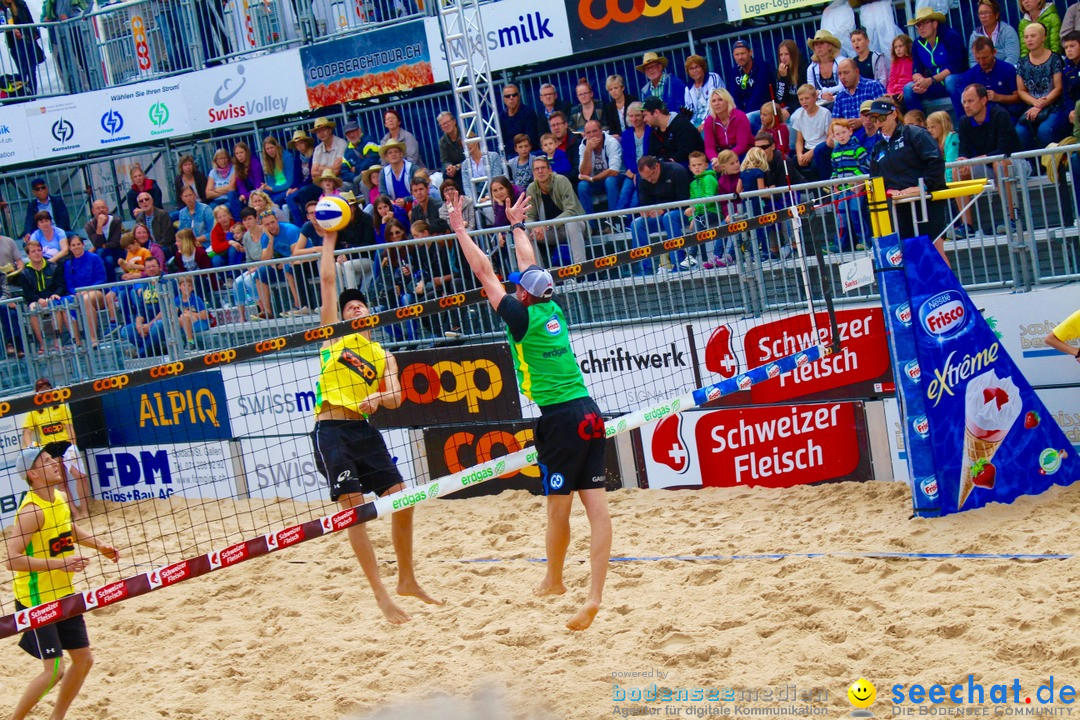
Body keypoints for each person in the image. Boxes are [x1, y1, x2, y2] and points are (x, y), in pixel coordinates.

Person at [447, 193, 610, 632]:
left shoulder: (521, 317)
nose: (515, 286)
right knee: (597, 510)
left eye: (518, 285)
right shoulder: (553, 308)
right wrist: (516, 225)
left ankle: (554, 580)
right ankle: (593, 594)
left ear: (523, 294)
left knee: (558, 509)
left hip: (560, 419)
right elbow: (531, 265)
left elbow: (484, 271)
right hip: (590, 411)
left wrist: (460, 227)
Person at [310, 226, 442, 624]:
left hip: (364, 430)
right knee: (356, 511)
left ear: (370, 315)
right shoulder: (332, 338)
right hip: (332, 429)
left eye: (359, 307)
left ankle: (407, 579)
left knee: (403, 498)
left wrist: (377, 398)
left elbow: (397, 396)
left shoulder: (383, 354)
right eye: (348, 308)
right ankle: (382, 596)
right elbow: (329, 282)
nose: (353, 309)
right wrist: (329, 239)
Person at [6, 443, 119, 720]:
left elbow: (68, 528)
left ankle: (57, 717)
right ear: (33, 475)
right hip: (37, 599)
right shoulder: (32, 511)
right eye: (46, 461)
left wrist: (100, 545)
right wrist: (61, 563)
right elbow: (11, 559)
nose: (55, 462)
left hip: (63, 592)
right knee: (54, 669)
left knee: (83, 660)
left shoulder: (58, 497)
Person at [867, 98, 949, 262]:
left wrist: (923, 187)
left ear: (894, 114)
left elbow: (936, 162)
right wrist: (889, 192)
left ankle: (946, 288)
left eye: (881, 117)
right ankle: (921, 288)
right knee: (910, 254)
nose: (878, 122)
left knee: (934, 249)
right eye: (874, 119)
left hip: (927, 202)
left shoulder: (915, 133)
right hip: (900, 206)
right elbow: (875, 179)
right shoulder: (878, 148)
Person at [955, 83, 1025, 235]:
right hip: (988, 166)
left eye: (970, 101)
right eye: (964, 102)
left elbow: (1004, 149)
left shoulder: (1000, 115)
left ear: (984, 100)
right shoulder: (964, 122)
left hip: (1015, 163)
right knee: (957, 169)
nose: (966, 105)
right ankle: (967, 226)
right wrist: (963, 159)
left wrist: (978, 159)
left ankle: (1012, 220)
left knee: (999, 163)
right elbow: (964, 150)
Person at [21, 378, 92, 519]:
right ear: (37, 392)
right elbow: (26, 432)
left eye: (47, 388)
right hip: (49, 448)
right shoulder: (34, 411)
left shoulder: (60, 406)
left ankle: (85, 510)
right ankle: (75, 513)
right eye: (41, 389)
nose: (45, 391)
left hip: (65, 445)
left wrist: (73, 446)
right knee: (61, 482)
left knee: (81, 476)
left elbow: (69, 427)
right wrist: (29, 447)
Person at [631, 155, 691, 273]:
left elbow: (684, 201)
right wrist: (644, 211)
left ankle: (678, 263)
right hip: (659, 216)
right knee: (636, 224)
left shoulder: (677, 171)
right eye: (645, 178)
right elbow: (644, 202)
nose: (649, 180)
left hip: (681, 213)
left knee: (669, 217)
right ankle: (645, 269)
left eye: (650, 176)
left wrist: (663, 209)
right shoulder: (642, 178)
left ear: (657, 166)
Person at [903, 7, 968, 113]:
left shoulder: (950, 36)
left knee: (950, 80)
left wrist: (931, 80)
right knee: (908, 88)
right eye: (918, 25)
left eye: (925, 23)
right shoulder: (917, 44)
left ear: (935, 24)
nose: (921, 28)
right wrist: (920, 81)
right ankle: (918, 127)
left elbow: (955, 67)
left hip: (957, 80)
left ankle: (962, 123)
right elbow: (916, 70)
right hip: (933, 84)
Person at [525, 156, 587, 265]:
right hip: (550, 232)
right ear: (533, 172)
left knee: (571, 223)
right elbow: (529, 216)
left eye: (543, 168)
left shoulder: (561, 180)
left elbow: (571, 211)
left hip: (573, 227)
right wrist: (535, 228)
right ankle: (539, 273)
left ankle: (581, 268)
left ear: (550, 169)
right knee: (527, 233)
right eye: (537, 169)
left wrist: (547, 225)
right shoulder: (531, 189)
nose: (540, 171)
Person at [1016, 21, 1069, 149]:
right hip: (1032, 106)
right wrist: (1035, 103)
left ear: (1043, 37)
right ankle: (1032, 166)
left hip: (1054, 105)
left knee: (1044, 131)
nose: (1029, 40)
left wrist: (1041, 104)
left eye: (1033, 36)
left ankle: (1053, 166)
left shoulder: (1055, 59)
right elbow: (1021, 90)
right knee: (1019, 132)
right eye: (1026, 36)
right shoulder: (1022, 62)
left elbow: (1058, 87)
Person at [62, 235, 114, 347]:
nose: (76, 247)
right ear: (70, 248)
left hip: (96, 292)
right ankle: (76, 341)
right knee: (67, 303)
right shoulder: (68, 264)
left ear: (83, 245)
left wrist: (86, 290)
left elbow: (101, 279)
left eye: (78, 244)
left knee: (85, 300)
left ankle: (92, 337)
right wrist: (76, 293)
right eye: (73, 245)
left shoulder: (94, 258)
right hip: (78, 294)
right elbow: (69, 285)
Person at [953, 36, 1021, 119]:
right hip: (982, 118)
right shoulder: (969, 75)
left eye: (985, 58)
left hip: (1008, 114)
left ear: (994, 52)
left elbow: (1018, 97)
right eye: (977, 58)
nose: (981, 62)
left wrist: (998, 97)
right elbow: (965, 102)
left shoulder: (1008, 69)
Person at [829, 119, 871, 252]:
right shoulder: (835, 152)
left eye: (844, 132)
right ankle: (840, 244)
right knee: (841, 217)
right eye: (838, 134)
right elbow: (835, 169)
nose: (841, 136)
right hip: (843, 191)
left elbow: (867, 165)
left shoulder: (858, 149)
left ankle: (865, 241)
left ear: (850, 132)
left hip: (856, 189)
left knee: (856, 212)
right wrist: (834, 182)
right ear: (834, 136)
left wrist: (856, 180)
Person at [18, 240, 67, 353]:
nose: (37, 253)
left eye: (39, 250)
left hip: (52, 298)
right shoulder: (24, 273)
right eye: (33, 251)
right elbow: (27, 293)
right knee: (33, 308)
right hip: (36, 300)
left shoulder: (53, 267)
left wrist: (55, 294)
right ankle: (42, 343)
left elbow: (61, 285)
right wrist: (38, 299)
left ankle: (57, 341)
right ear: (28, 255)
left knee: (55, 305)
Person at [119, 255, 169, 357]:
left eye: (154, 266)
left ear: (160, 267)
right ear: (145, 270)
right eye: (148, 267)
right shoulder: (144, 286)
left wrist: (149, 325)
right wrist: (139, 325)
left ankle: (142, 352)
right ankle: (155, 348)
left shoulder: (167, 282)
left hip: (165, 321)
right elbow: (141, 311)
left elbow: (167, 309)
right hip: (148, 323)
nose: (151, 269)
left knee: (157, 326)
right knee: (125, 330)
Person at [577, 119, 625, 214]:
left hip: (618, 178)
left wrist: (592, 178)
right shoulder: (583, 146)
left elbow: (614, 171)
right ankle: (590, 226)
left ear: (601, 131)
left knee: (610, 181)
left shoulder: (612, 142)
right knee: (582, 186)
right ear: (585, 134)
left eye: (595, 131)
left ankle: (613, 220)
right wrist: (588, 151)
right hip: (596, 181)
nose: (592, 135)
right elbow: (584, 173)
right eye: (588, 133)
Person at [643, 96, 704, 167]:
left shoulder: (681, 124)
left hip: (689, 166)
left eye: (645, 115)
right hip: (667, 166)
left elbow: (685, 153)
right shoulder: (654, 130)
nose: (644, 120)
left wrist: (664, 161)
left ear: (656, 112)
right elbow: (651, 153)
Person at [729, 40, 773, 132]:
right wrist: (740, 115)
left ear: (750, 52)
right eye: (737, 55)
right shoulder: (734, 72)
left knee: (748, 119)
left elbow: (759, 95)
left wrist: (744, 116)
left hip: (764, 109)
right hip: (745, 112)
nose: (740, 57)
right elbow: (734, 97)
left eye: (743, 53)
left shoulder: (761, 67)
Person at [791, 84, 833, 178]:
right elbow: (799, 140)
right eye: (801, 100)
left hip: (821, 148)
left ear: (814, 98)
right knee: (790, 164)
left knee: (816, 165)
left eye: (807, 98)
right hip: (807, 148)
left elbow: (829, 137)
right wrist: (799, 155)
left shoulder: (825, 113)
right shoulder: (799, 115)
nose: (804, 102)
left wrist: (811, 153)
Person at [703, 88, 753, 167]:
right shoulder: (709, 121)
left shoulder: (740, 117)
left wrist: (723, 159)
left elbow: (741, 146)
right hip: (722, 154)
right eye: (713, 101)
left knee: (729, 167)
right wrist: (715, 159)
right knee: (709, 172)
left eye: (720, 100)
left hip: (742, 153)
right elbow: (709, 148)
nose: (716, 103)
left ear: (727, 101)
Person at [832, 58, 887, 130]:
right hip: (848, 137)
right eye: (839, 74)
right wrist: (845, 124)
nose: (842, 77)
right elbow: (834, 122)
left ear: (857, 71)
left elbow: (885, 111)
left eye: (846, 73)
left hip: (873, 133)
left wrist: (862, 121)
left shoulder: (873, 86)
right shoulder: (840, 97)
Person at [1, 0, 41, 97]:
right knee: (22, 71)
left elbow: (29, 19)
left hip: (28, 39)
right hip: (15, 43)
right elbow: (2, 24)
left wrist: (35, 32)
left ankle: (33, 95)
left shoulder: (20, 3)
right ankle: (25, 95)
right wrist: (12, 29)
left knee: (32, 71)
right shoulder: (1, 7)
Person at [618, 101, 651, 210]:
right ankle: (616, 218)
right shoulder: (626, 134)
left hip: (646, 170)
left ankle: (627, 222)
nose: (634, 119)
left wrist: (637, 171)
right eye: (631, 116)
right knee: (625, 191)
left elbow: (650, 154)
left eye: (637, 115)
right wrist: (633, 171)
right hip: (631, 171)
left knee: (636, 198)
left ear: (643, 115)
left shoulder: (651, 131)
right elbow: (627, 157)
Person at [970, 0, 1021, 67]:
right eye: (981, 13)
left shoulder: (1008, 31)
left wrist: (998, 71)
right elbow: (972, 61)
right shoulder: (975, 35)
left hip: (1005, 70)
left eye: (987, 13)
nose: (983, 16)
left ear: (996, 15)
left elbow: (1013, 56)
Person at [684, 55, 725, 129]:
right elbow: (690, 111)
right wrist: (692, 127)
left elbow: (713, 105)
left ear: (702, 67)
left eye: (697, 67)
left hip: (717, 117)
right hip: (697, 122)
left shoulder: (713, 78)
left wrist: (704, 124)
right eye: (691, 69)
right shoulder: (688, 88)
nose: (694, 71)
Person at [377, 140, 422, 207]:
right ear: (386, 157)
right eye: (390, 153)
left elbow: (421, 190)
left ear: (401, 154)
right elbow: (383, 193)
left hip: (415, 204)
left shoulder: (413, 169)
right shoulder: (383, 173)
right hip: (394, 207)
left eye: (396, 151)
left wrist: (405, 200)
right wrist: (389, 201)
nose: (393, 154)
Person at [84, 199, 123, 276]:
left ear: (107, 209)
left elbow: (115, 243)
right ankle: (111, 284)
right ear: (93, 211)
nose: (101, 210)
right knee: (108, 260)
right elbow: (97, 244)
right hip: (104, 255)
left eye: (103, 207)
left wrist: (101, 246)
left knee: (101, 252)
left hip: (116, 252)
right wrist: (99, 226)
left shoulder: (116, 221)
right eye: (98, 208)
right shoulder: (89, 226)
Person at [807, 29, 846, 103]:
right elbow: (811, 92)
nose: (818, 46)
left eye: (822, 43)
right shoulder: (811, 68)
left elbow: (844, 86)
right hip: (822, 102)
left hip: (842, 99)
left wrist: (822, 92)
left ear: (830, 46)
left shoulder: (842, 62)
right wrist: (822, 95)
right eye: (816, 44)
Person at [500, 83, 540, 154]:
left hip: (529, 152)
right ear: (504, 99)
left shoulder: (528, 112)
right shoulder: (502, 116)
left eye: (514, 95)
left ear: (519, 96)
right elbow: (502, 140)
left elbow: (532, 137)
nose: (511, 98)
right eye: (507, 96)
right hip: (510, 155)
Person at [135, 191, 176, 257]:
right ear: (139, 205)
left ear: (152, 201)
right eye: (141, 201)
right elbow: (138, 238)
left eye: (146, 199)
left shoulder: (163, 214)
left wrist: (154, 248)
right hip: (147, 248)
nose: (144, 202)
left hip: (164, 246)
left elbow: (168, 237)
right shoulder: (139, 219)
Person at [174, 275, 209, 350]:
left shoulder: (196, 299)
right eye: (184, 285)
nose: (186, 287)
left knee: (184, 316)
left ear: (192, 288)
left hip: (200, 323)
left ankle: (191, 342)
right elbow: (173, 314)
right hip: (186, 323)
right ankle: (179, 342)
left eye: (189, 285)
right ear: (179, 287)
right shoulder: (177, 299)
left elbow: (204, 316)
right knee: (176, 319)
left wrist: (189, 313)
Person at [260, 136, 296, 209]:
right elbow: (270, 182)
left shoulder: (287, 157)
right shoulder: (268, 161)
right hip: (275, 188)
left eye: (271, 147)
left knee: (274, 200)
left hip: (287, 188)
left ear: (276, 147)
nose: (270, 151)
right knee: (260, 197)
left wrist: (272, 189)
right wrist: (267, 187)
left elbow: (290, 183)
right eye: (267, 149)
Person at [176, 185, 215, 250]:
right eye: (186, 196)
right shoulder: (182, 213)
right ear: (182, 198)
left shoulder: (205, 209)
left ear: (195, 195)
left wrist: (195, 240)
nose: (189, 198)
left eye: (190, 195)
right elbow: (181, 234)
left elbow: (212, 233)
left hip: (205, 245)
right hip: (189, 246)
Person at [547, 111, 582, 181]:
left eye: (558, 124)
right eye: (553, 125)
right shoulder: (547, 146)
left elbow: (577, 171)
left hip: (572, 182)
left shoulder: (576, 142)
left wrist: (556, 178)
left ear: (566, 125)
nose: (556, 128)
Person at [204, 148, 238, 217]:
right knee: (207, 211)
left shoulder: (233, 169)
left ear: (228, 158)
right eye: (220, 158)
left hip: (229, 199)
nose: (223, 160)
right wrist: (225, 190)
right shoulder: (213, 172)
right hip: (216, 201)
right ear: (216, 161)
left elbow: (232, 188)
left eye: (225, 158)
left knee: (223, 211)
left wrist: (216, 189)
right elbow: (208, 194)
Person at [775, 40, 804, 119]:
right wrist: (782, 78)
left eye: (786, 54)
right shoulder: (781, 70)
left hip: (800, 107)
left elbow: (805, 96)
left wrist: (790, 110)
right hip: (785, 108)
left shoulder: (803, 69)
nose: (783, 58)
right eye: (781, 55)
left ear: (793, 54)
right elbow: (780, 99)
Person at [436, 112, 465, 183]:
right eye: (443, 124)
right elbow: (444, 160)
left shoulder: (466, 135)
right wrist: (449, 167)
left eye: (447, 122)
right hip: (453, 170)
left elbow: (472, 157)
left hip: (467, 166)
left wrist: (458, 167)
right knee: (446, 172)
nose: (446, 125)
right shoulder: (442, 141)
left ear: (454, 121)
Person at [233, 141, 264, 208]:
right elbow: (240, 185)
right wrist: (243, 195)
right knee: (232, 194)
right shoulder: (237, 166)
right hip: (246, 194)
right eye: (237, 153)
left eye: (241, 152)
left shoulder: (255, 164)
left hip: (257, 191)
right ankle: (239, 218)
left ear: (246, 152)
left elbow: (258, 186)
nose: (239, 155)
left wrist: (246, 196)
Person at [887, 34, 914, 107]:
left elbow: (914, 79)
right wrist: (890, 93)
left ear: (907, 46)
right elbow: (892, 80)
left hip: (908, 90)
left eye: (900, 46)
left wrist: (904, 91)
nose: (898, 49)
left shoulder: (913, 60)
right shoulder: (895, 62)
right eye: (895, 47)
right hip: (895, 93)